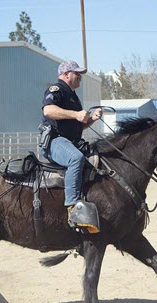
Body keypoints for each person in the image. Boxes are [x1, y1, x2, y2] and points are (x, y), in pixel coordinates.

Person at [40, 60, 102, 232]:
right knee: (76, 158)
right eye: (77, 73)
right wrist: (76, 114)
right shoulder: (56, 90)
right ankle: (73, 207)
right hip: (54, 142)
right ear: (66, 74)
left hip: (69, 141)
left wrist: (92, 119)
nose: (80, 77)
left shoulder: (73, 96)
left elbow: (77, 126)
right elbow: (48, 111)